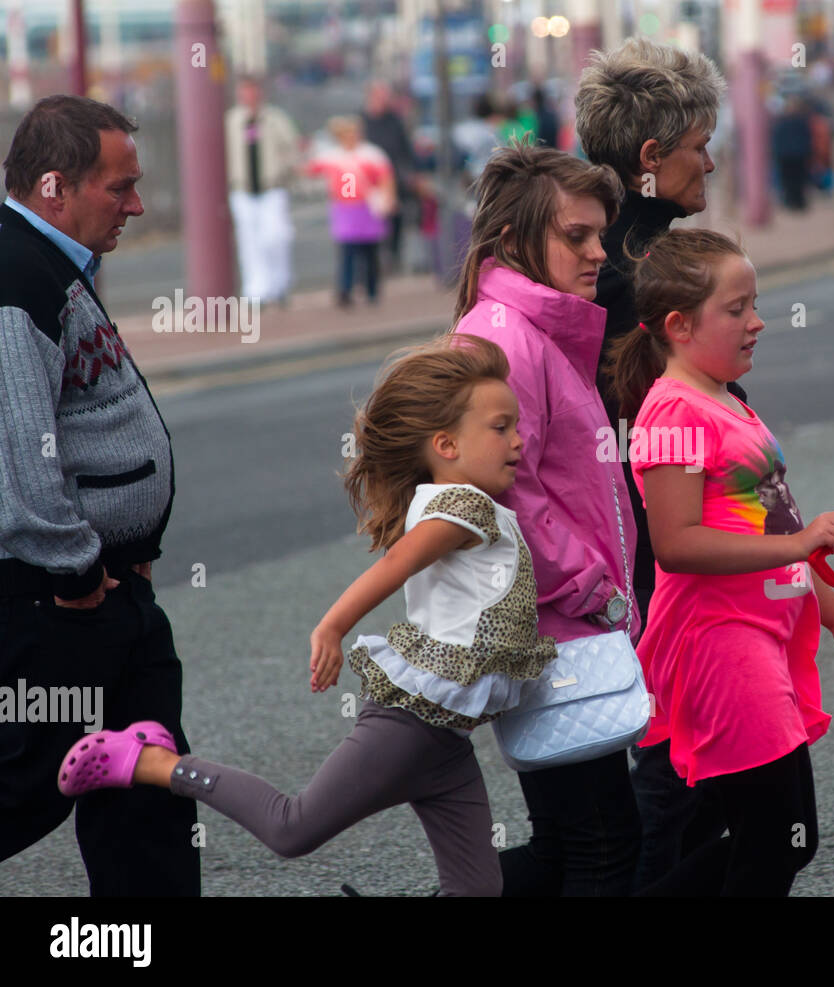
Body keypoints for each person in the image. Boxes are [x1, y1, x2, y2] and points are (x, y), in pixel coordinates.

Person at [56, 334, 556, 897]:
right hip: (412, 727)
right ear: (445, 444)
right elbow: (395, 565)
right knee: (290, 828)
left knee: (477, 891)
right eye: (501, 427)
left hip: (446, 739)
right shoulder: (461, 508)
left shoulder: (474, 505)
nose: (519, 438)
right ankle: (151, 762)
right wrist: (332, 627)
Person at [605, 228, 834, 895]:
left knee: (784, 838)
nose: (757, 322)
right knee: (771, 843)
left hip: (760, 635)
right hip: (720, 646)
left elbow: (777, 518)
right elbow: (676, 543)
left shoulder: (726, 397)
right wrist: (799, 547)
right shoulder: (673, 412)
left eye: (754, 304)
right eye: (736, 309)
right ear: (679, 325)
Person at [0, 95, 200, 895]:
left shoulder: (52, 264)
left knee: (148, 787)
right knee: (24, 786)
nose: (137, 205)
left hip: (114, 591)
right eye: (119, 188)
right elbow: (17, 452)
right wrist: (77, 571)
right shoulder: (15, 277)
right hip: (60, 601)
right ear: (56, 186)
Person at [450, 143, 643, 896]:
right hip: (558, 622)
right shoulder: (503, 337)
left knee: (568, 844)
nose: (598, 252)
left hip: (563, 619)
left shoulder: (534, 329)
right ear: (514, 243)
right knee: (604, 845)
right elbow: (502, 493)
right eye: (576, 236)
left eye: (600, 234)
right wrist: (596, 587)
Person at [574, 35, 738, 889]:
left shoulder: (590, 246)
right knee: (675, 784)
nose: (710, 159)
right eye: (698, 144)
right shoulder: (641, 270)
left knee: (656, 788)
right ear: (650, 156)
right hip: (659, 544)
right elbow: (684, 420)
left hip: (631, 539)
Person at [305, 115, 396, 307]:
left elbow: (385, 178)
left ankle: (371, 289)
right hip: (345, 209)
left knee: (369, 252)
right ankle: (345, 290)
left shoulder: (372, 155)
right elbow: (310, 169)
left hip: (367, 208)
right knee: (348, 251)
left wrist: (388, 198)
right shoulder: (332, 156)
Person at [225, 76, 300, 305]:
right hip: (243, 189)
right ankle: (256, 289)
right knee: (249, 241)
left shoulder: (275, 119)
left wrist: (287, 171)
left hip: (272, 187)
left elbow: (292, 148)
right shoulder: (232, 120)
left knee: (276, 236)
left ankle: (280, 284)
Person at [362, 80, 418, 271]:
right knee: (368, 224)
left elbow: (404, 149)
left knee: (395, 221)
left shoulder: (394, 121)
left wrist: (409, 173)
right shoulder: (362, 121)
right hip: (368, 182)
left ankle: (392, 258)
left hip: (392, 180)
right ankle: (371, 262)